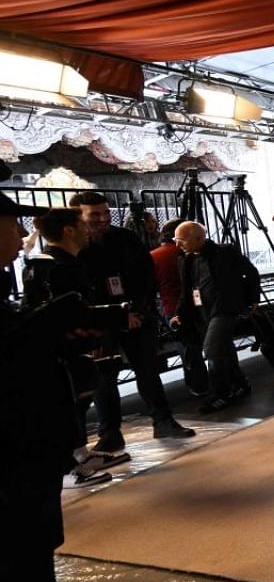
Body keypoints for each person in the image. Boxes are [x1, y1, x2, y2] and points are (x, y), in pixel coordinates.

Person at [0, 193, 87, 582]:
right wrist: (48, 326)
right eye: (11, 224)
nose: (20, 235)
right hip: (18, 451)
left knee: (35, 550)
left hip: (31, 447)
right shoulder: (42, 270)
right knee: (24, 554)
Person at [71, 191, 195, 449]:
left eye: (105, 212)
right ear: (78, 215)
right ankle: (110, 432)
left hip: (136, 313)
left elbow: (145, 274)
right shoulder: (75, 244)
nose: (103, 218)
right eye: (95, 214)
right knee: (104, 376)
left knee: (147, 369)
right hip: (99, 318)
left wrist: (137, 309)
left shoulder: (125, 238)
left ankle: (163, 421)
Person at [22, 209, 131, 488]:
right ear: (69, 230)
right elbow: (61, 314)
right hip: (59, 348)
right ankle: (69, 466)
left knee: (80, 396)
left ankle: (80, 454)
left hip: (74, 345)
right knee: (69, 402)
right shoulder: (50, 265)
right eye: (82, 225)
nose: (88, 230)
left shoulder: (69, 261)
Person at [174, 221, 260, 413]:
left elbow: (251, 272)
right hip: (201, 312)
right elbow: (186, 289)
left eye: (182, 240)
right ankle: (241, 383)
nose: (178, 245)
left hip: (225, 308)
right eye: (176, 240)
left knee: (212, 350)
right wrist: (179, 313)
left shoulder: (225, 252)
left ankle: (220, 394)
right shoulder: (185, 259)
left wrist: (254, 298)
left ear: (199, 238)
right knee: (224, 350)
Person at [152, 218, 209, 397]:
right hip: (199, 306)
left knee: (188, 351)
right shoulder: (191, 252)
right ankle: (224, 382)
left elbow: (153, 286)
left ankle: (199, 387)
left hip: (172, 307)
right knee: (212, 345)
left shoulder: (154, 256)